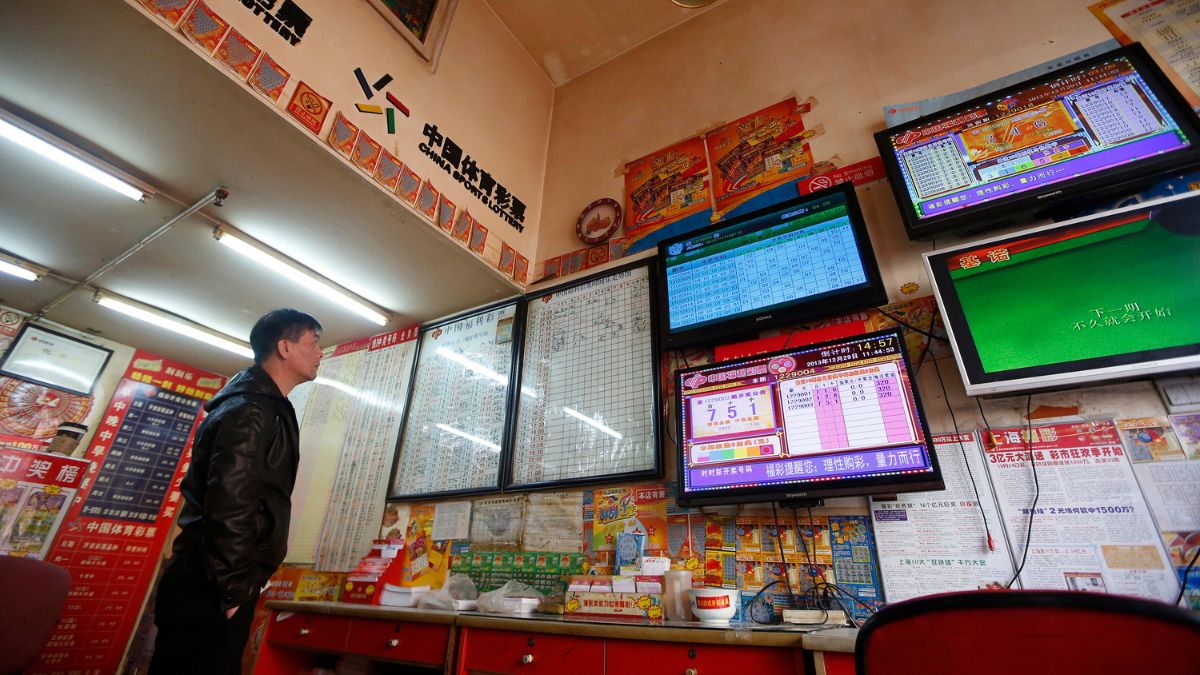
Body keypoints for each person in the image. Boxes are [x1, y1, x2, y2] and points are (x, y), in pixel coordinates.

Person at [149, 309, 323, 675]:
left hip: (218, 580)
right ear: (285, 347)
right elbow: (230, 501)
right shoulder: (251, 410)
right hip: (211, 585)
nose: (321, 352)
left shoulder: (265, 405)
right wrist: (232, 589)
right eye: (314, 342)